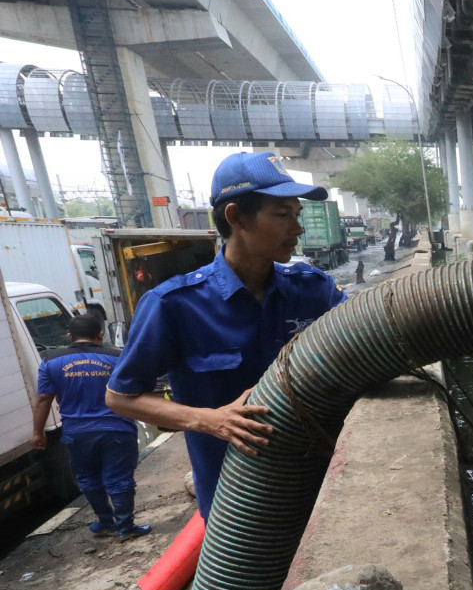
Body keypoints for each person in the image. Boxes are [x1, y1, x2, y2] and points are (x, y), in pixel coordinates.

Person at [106, 151, 347, 523]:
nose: (297, 229)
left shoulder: (313, 290)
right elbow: (121, 398)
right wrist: (209, 420)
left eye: (296, 215)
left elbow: (365, 342)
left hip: (319, 485)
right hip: (234, 503)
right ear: (235, 217)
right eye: (282, 215)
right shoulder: (174, 305)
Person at [32, 314, 151, 539]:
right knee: (119, 479)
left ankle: (105, 522)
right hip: (117, 429)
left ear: (69, 336)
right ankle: (125, 527)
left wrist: (38, 433)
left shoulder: (50, 361)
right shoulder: (118, 357)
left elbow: (43, 399)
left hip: (77, 433)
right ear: (100, 334)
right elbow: (137, 390)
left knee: (88, 478)